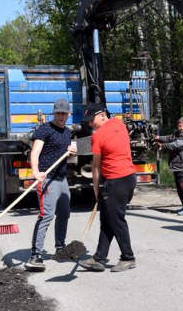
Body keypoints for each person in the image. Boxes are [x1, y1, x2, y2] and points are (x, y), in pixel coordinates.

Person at [79, 103, 138, 273]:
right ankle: (99, 258)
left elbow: (96, 167)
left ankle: (128, 257)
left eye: (92, 120)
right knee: (107, 219)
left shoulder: (98, 137)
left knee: (116, 219)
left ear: (102, 115)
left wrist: (96, 189)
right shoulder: (120, 124)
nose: (90, 124)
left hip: (116, 181)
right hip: (129, 178)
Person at [24, 99, 77, 271]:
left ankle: (60, 249)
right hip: (47, 178)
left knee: (64, 214)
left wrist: (71, 153)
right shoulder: (45, 129)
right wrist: (35, 171)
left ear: (69, 114)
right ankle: (35, 255)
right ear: (53, 113)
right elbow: (35, 152)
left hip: (62, 179)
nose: (61, 116)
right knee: (46, 216)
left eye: (64, 113)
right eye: (58, 113)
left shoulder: (68, 132)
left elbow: (64, 155)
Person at [155, 117, 183, 216]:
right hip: (177, 166)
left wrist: (162, 145)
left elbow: (175, 145)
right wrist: (158, 137)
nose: (181, 128)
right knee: (179, 188)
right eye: (180, 126)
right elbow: (169, 138)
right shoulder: (177, 134)